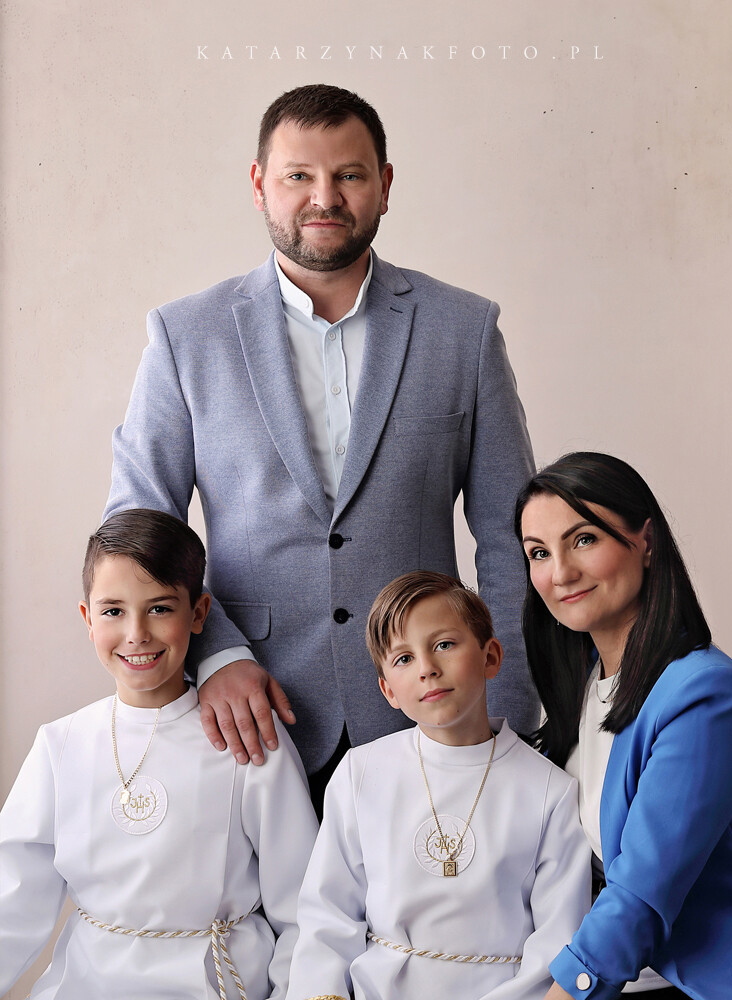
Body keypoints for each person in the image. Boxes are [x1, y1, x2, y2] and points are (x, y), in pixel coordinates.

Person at [104, 84, 537, 810]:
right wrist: (218, 654)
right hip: (248, 719)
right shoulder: (186, 337)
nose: (324, 197)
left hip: (433, 714)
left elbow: (510, 534)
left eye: (349, 174)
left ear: (385, 185)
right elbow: (137, 532)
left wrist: (510, 703)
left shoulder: (463, 330)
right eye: (298, 175)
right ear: (259, 184)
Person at [514, 452, 732, 1000]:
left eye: (583, 540)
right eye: (539, 553)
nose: (560, 573)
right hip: (647, 976)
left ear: (645, 541)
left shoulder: (704, 694)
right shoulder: (583, 690)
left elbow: (641, 893)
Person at [0, 509, 318, 1000]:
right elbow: (12, 902)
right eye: (113, 611)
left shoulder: (247, 736)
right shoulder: (60, 745)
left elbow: (303, 907)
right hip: (88, 986)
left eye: (160, 609)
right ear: (87, 619)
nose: (136, 634)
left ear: (199, 614)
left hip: (218, 983)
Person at [285, 571, 590, 1000]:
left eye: (444, 645)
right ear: (389, 691)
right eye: (403, 659)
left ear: (490, 657)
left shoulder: (549, 791)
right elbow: (327, 913)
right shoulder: (361, 772)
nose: (427, 668)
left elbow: (557, 939)